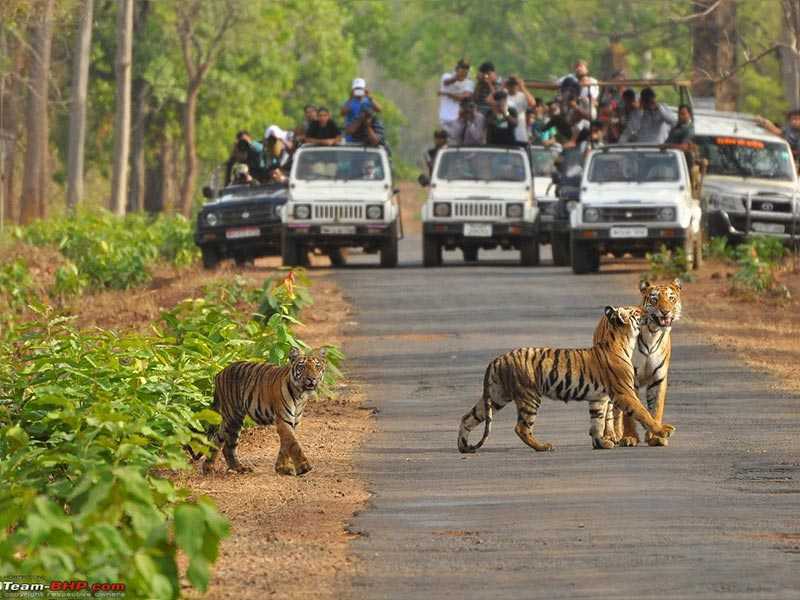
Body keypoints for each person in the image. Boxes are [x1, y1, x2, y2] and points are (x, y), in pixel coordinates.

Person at [438, 59, 475, 130]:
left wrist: (447, 94)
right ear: (457, 68)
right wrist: (457, 77)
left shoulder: (469, 82)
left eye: (466, 68)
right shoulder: (446, 76)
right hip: (444, 117)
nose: (464, 71)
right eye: (462, 68)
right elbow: (446, 82)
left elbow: (463, 98)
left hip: (458, 118)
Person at [505, 76, 536, 143]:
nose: (513, 86)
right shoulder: (503, 94)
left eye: (515, 84)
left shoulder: (522, 95)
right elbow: (489, 100)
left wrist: (522, 87)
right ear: (507, 85)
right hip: (505, 130)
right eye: (510, 84)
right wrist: (502, 86)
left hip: (520, 131)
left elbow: (532, 103)